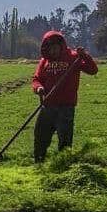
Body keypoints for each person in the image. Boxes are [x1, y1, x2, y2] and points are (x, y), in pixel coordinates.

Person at [30, 30, 98, 162]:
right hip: (47, 106)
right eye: (50, 48)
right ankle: (38, 162)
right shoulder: (44, 61)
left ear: (61, 46)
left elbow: (93, 70)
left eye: (55, 47)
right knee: (40, 135)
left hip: (66, 108)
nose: (53, 51)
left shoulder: (73, 57)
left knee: (65, 139)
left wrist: (85, 56)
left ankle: (63, 164)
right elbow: (36, 79)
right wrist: (38, 88)